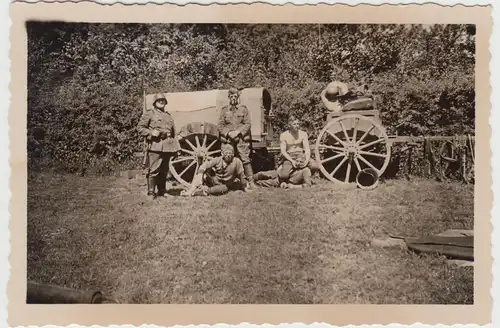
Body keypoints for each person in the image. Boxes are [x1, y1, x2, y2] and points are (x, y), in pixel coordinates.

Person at [137, 93, 180, 198]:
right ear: (155, 103)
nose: (161, 102)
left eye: (163, 100)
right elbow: (140, 128)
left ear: (165, 103)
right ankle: (151, 192)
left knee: (164, 170)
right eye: (159, 100)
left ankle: (162, 191)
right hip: (156, 145)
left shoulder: (168, 116)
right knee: (154, 170)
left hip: (167, 146)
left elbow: (173, 133)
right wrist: (151, 133)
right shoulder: (150, 114)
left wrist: (176, 147)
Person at [218, 87, 258, 189]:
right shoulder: (224, 110)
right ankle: (225, 181)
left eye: (235, 96)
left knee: (245, 159)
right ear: (228, 97)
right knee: (226, 158)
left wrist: (238, 132)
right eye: (231, 96)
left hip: (241, 139)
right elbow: (220, 125)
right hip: (228, 139)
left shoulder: (243, 109)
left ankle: (251, 181)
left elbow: (247, 124)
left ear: (238, 97)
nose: (233, 98)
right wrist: (228, 133)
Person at [181, 144, 249, 196]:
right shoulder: (217, 160)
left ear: (233, 154)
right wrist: (200, 173)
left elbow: (242, 175)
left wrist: (245, 188)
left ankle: (202, 192)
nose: (228, 155)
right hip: (214, 180)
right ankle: (190, 190)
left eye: (230, 153)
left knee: (223, 189)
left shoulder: (237, 162)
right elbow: (205, 165)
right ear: (222, 154)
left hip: (226, 184)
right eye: (226, 153)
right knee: (200, 174)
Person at [278, 116, 318, 186]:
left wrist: (306, 160)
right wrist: (292, 161)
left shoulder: (303, 134)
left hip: (301, 155)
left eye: (298, 124)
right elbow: (283, 151)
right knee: (283, 175)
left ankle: (304, 177)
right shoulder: (284, 135)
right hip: (289, 156)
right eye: (295, 124)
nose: (297, 126)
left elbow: (307, 149)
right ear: (289, 125)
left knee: (315, 166)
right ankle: (283, 172)